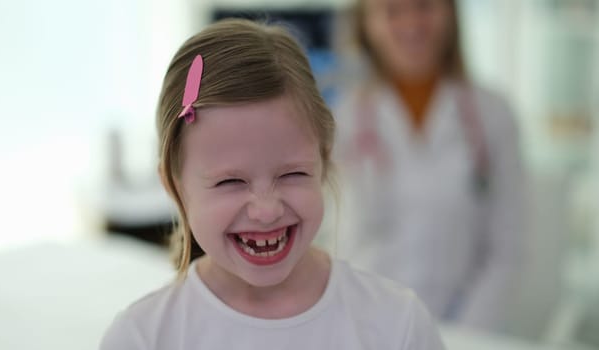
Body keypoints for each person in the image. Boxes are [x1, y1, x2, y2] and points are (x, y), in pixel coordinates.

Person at [99, 19, 445, 349]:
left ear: (323, 163)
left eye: (293, 174)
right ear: (174, 186)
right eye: (230, 181)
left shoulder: (397, 326)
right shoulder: (141, 340)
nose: (266, 211)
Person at [333, 0, 527, 331]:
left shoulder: (492, 114)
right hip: (365, 325)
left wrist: (465, 332)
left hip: (465, 329)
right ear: (366, 25)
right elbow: (332, 241)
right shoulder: (345, 118)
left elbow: (509, 248)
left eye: (424, 6)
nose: (411, 22)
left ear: (450, 12)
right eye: (391, 11)